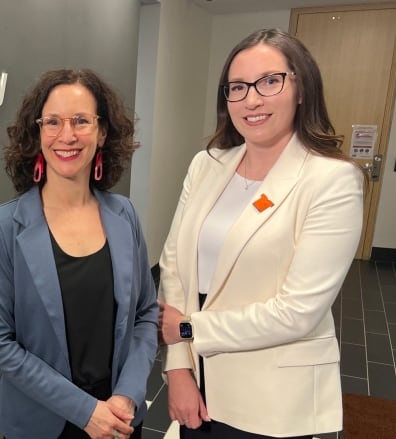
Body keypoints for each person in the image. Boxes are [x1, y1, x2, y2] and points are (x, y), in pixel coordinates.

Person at [157, 28, 365, 439]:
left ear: (301, 88)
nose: (251, 99)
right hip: (197, 382)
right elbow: (174, 266)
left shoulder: (332, 180)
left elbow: (297, 311)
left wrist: (187, 330)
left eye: (270, 81)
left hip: (271, 402)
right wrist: (178, 368)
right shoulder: (208, 164)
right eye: (237, 87)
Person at [0, 69, 158, 439]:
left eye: (81, 121)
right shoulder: (5, 226)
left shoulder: (124, 215)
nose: (67, 135)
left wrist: (127, 396)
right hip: (43, 421)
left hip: (119, 416)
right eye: (53, 122)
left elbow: (145, 313)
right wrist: (84, 410)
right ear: (37, 132)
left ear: (102, 132)